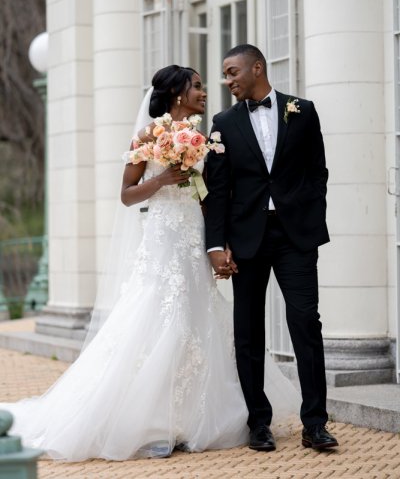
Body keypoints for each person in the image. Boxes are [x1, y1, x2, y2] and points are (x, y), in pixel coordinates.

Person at [0, 64, 299, 462]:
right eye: (197, 86)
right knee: (162, 316)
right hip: (162, 238)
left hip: (194, 236)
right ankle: (154, 421)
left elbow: (209, 195)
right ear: (177, 93)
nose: (204, 92)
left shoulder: (203, 138)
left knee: (199, 316)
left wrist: (218, 243)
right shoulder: (148, 135)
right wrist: (162, 180)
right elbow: (126, 195)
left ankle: (194, 419)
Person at [205, 44, 338, 452]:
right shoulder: (223, 123)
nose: (227, 81)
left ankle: (315, 423)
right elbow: (217, 190)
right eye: (225, 75)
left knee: (305, 324)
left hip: (295, 236)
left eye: (232, 73)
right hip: (246, 239)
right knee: (248, 332)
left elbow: (319, 171)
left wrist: (312, 214)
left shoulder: (303, 110)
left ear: (256, 68)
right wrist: (215, 243)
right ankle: (258, 423)